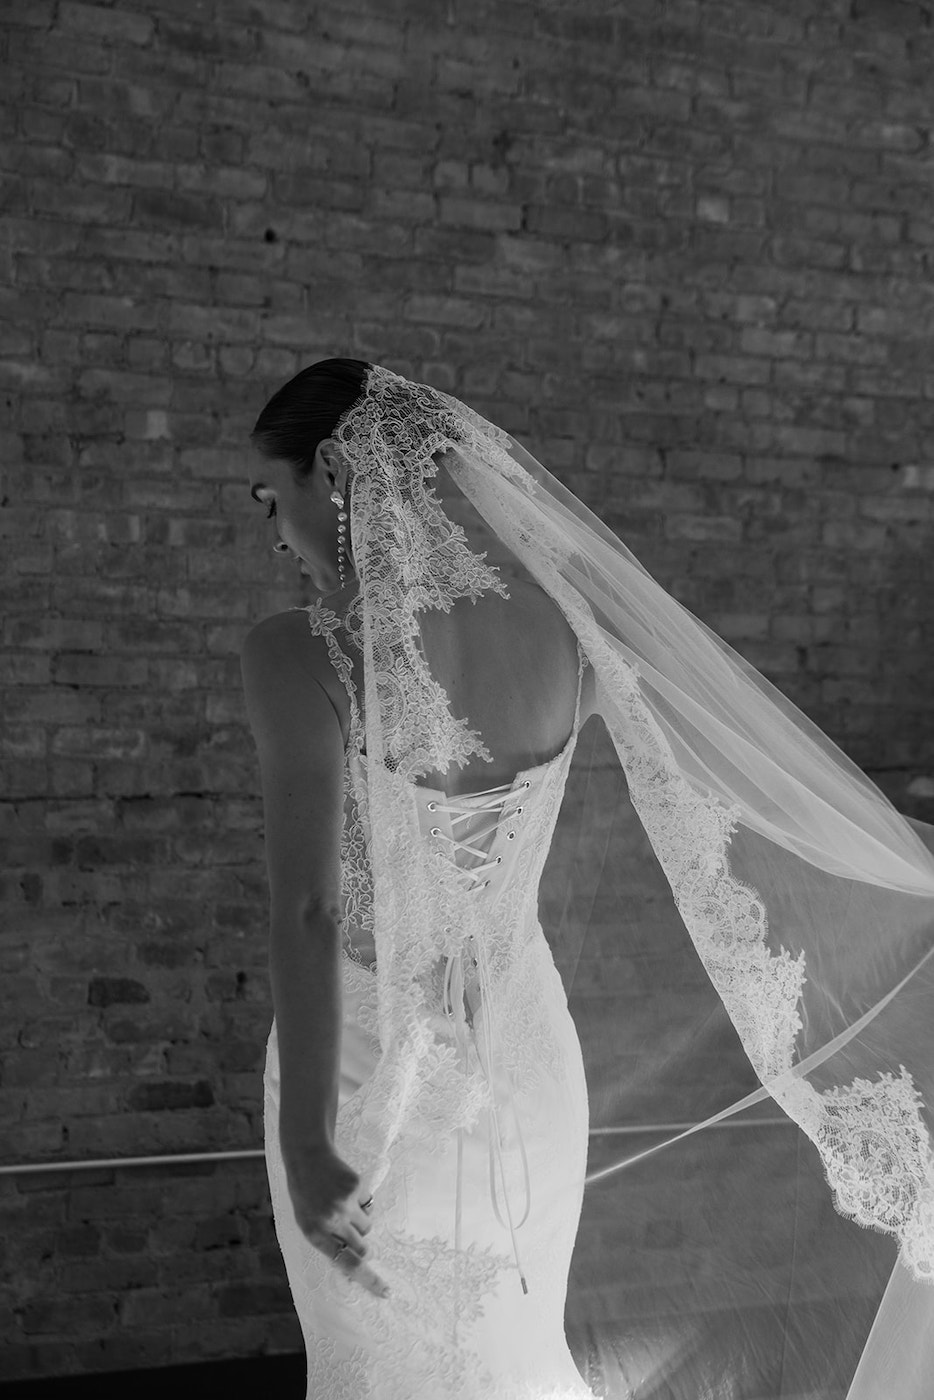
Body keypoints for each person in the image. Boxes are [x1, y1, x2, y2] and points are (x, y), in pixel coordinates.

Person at [241, 359, 934, 1399]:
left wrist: (303, 1139)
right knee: (511, 1356)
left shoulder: (297, 654)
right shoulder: (565, 628)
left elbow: (308, 906)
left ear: (335, 471)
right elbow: (731, 763)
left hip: (360, 1071)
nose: (274, 531)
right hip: (527, 1068)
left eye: (273, 496)